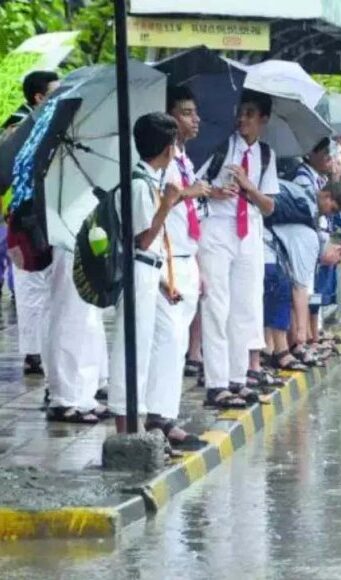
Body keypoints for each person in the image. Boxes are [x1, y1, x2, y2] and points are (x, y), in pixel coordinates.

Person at [197, 90, 277, 409]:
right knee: (217, 305)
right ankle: (216, 384)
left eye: (250, 113)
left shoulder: (266, 155)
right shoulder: (218, 145)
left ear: (263, 120)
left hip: (250, 231)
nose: (243, 119)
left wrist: (248, 185)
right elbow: (194, 184)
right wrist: (215, 191)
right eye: (240, 112)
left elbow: (270, 205)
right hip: (217, 226)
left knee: (245, 306)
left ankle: (238, 378)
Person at [143, 86, 211, 448]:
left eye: (194, 112)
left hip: (187, 256)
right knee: (167, 340)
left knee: (178, 341)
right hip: (166, 261)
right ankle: (156, 418)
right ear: (169, 118)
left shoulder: (184, 157)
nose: (194, 119)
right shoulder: (160, 161)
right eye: (186, 112)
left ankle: (166, 415)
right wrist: (188, 192)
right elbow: (159, 202)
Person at [108, 113, 185, 431]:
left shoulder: (146, 181)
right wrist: (167, 205)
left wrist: (163, 281)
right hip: (138, 272)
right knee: (132, 346)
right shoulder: (139, 186)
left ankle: (147, 416)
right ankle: (126, 425)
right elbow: (142, 239)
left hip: (150, 274)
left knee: (160, 339)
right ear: (167, 148)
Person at [264, 181, 341, 370]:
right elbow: (300, 289)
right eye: (333, 208)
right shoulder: (310, 237)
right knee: (282, 293)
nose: (331, 213)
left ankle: (278, 350)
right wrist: (302, 338)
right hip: (263, 249)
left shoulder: (307, 213)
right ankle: (280, 352)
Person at [10, 71, 61, 376]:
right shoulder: (19, 132)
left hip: (50, 211)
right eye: (55, 91)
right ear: (39, 98)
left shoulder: (55, 126)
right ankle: (33, 352)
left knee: (49, 287)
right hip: (24, 216)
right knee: (30, 288)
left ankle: (44, 348)